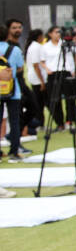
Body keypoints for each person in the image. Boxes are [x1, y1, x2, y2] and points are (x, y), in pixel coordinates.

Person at [2, 19, 27, 159]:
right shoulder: (15, 50)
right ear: (7, 35)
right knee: (14, 121)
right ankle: (14, 151)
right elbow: (20, 68)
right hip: (13, 90)